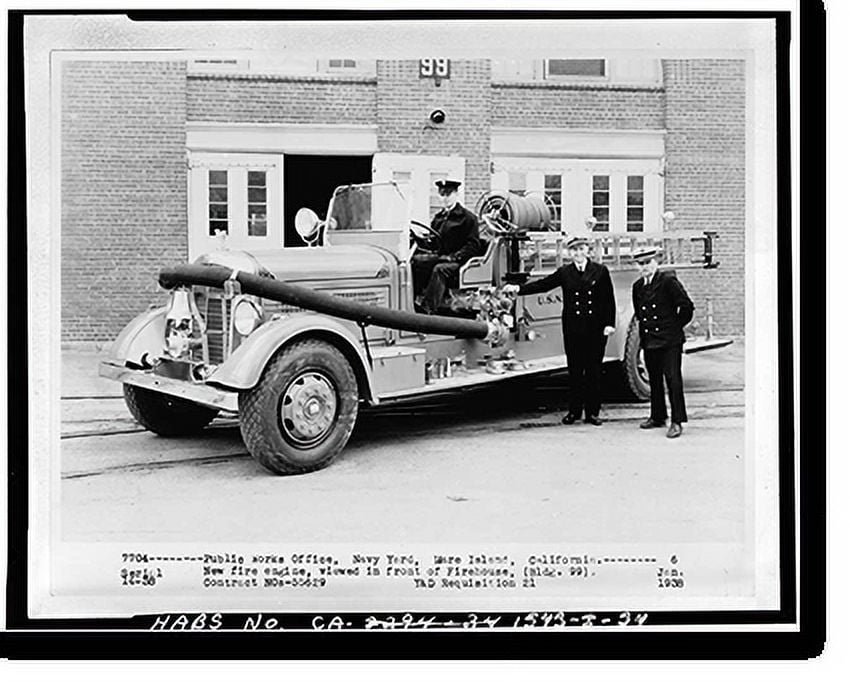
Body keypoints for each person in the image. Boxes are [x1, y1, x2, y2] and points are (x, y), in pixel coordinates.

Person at [503, 235, 616, 426]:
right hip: (574, 328)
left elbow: (608, 300)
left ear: (588, 251)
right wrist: (518, 289)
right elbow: (543, 285)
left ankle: (592, 413)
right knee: (575, 371)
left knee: (593, 371)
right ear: (569, 253)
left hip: (595, 328)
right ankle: (574, 411)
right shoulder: (565, 272)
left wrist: (609, 324)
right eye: (574, 250)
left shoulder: (600, 271)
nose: (578, 253)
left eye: (581, 249)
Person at [631, 247, 695, 439]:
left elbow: (686, 307)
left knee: (673, 379)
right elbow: (640, 315)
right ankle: (658, 416)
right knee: (655, 380)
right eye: (641, 264)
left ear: (656, 262)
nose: (645, 267)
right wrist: (644, 339)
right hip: (650, 340)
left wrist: (675, 327)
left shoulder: (668, 281)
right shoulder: (637, 287)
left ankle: (677, 421)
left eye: (648, 263)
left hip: (670, 340)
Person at [412, 177, 481, 314]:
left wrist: (455, 257)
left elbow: (473, 245)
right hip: (441, 256)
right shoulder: (438, 218)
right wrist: (419, 240)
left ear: (456, 194)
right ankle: (412, 302)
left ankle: (428, 309)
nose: (445, 198)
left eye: (448, 194)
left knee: (440, 269)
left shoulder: (467, 218)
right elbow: (434, 241)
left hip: (460, 262)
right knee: (415, 263)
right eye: (442, 194)